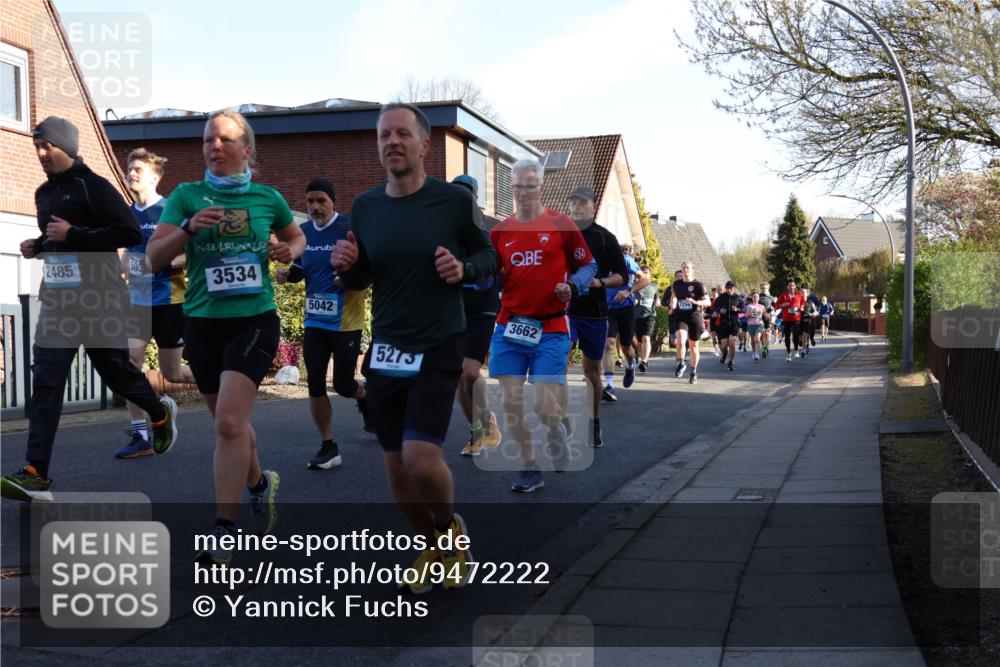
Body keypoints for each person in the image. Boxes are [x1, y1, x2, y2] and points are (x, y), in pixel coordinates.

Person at [332, 103, 497, 593]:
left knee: (421, 458)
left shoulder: (452, 202)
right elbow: (363, 276)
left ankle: (449, 532)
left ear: (424, 144)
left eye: (402, 134)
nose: (392, 142)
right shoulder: (366, 207)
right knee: (396, 468)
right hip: (387, 347)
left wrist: (464, 269)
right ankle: (432, 547)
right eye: (384, 135)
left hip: (439, 340)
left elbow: (488, 254)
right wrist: (348, 265)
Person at [146, 110, 305, 562]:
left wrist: (286, 251)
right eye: (207, 140)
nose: (213, 146)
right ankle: (259, 482)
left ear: (246, 150)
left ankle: (224, 530)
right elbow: (152, 258)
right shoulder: (186, 196)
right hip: (202, 322)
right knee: (228, 423)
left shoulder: (267, 197)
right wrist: (188, 229)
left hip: (253, 320)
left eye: (224, 139)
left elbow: (296, 239)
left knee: (229, 424)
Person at [1, 117, 178, 502]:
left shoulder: (94, 187)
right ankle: (35, 473)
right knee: (46, 381)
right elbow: (56, 240)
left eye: (47, 145)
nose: (41, 153)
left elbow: (129, 233)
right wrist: (38, 246)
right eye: (37, 146)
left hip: (99, 300)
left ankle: (159, 413)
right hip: (58, 301)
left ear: (67, 146)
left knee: (116, 373)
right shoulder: (43, 194)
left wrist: (74, 234)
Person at [490, 160, 596, 492]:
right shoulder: (500, 232)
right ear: (511, 188)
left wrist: (573, 286)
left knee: (543, 406)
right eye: (517, 186)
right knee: (509, 402)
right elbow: (488, 273)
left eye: (530, 186)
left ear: (541, 187)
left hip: (550, 328)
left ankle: (554, 429)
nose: (523, 192)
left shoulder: (562, 224)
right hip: (509, 327)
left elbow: (588, 265)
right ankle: (530, 466)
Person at [274, 178, 370, 470]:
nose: (315, 206)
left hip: (346, 321)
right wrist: (288, 275)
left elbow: (368, 270)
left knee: (342, 384)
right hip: (315, 321)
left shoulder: (349, 228)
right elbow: (301, 270)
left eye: (321, 200)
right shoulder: (302, 233)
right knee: (315, 382)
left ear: (332, 202)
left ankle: (365, 396)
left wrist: (349, 279)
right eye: (310, 201)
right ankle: (328, 446)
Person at [116, 148, 196, 459]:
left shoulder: (170, 211)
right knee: (129, 363)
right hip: (137, 302)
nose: (131, 173)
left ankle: (221, 380)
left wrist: (162, 262)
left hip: (169, 301)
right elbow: (126, 257)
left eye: (138, 169)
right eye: (129, 168)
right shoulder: (126, 214)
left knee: (172, 372)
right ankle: (141, 435)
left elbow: (190, 254)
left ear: (154, 177)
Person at [563, 186, 627, 448]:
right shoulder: (561, 233)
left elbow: (622, 276)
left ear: (593, 206)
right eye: (573, 203)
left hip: (594, 313)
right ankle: (563, 420)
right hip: (565, 311)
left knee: (591, 371)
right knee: (557, 363)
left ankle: (593, 423)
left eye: (582, 203)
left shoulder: (605, 238)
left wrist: (600, 282)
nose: (576, 207)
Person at [450, 174, 502, 457]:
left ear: (475, 197)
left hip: (483, 307)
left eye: (466, 194)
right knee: (461, 376)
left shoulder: (491, 227)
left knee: (469, 372)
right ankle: (477, 429)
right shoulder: (444, 228)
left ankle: (484, 423)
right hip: (454, 306)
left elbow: (502, 265)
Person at [602, 244, 646, 398]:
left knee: (626, 346)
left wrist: (628, 291)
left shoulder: (626, 260)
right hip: (608, 309)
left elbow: (645, 279)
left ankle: (630, 364)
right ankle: (609, 386)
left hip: (626, 308)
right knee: (608, 344)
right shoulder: (600, 262)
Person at [669, 261, 711, 384]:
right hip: (681, 316)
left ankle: (693, 372)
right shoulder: (677, 284)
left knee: (693, 347)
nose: (685, 270)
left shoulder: (698, 285)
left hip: (694, 317)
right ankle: (681, 363)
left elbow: (708, 302)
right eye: (683, 268)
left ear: (692, 270)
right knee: (680, 340)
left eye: (688, 268)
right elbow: (674, 296)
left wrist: (696, 302)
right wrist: (673, 304)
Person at [634, 264, 660, 372]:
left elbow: (657, 299)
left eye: (646, 273)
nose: (644, 274)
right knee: (639, 341)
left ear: (650, 275)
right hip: (637, 316)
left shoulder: (654, 286)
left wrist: (657, 302)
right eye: (643, 272)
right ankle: (642, 357)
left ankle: (644, 361)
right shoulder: (634, 286)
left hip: (650, 315)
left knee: (646, 338)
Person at [774, 279, 806, 362]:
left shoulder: (799, 295)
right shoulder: (783, 295)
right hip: (786, 319)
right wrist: (783, 305)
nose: (791, 287)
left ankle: (796, 351)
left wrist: (802, 307)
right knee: (787, 336)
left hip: (796, 318)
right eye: (790, 285)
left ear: (795, 286)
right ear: (787, 287)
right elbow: (776, 305)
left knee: (796, 335)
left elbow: (803, 303)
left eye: (793, 285)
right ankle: (788, 353)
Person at [714, 281, 742, 371]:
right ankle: (725, 353)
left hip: (734, 322)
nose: (729, 290)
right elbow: (715, 307)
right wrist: (720, 310)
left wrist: (737, 309)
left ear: (734, 288)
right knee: (724, 345)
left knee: (732, 342)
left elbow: (744, 309)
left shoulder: (737, 297)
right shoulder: (721, 297)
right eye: (728, 288)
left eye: (731, 288)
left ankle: (730, 362)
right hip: (724, 322)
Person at [663, 269, 683, 351]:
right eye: (678, 276)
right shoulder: (669, 289)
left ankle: (682, 354)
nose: (679, 278)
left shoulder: (686, 288)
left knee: (682, 336)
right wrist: (670, 304)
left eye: (681, 276)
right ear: (675, 277)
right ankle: (680, 351)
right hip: (672, 315)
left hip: (683, 315)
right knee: (674, 341)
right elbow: (663, 301)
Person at [745, 290, 766, 361]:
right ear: (752, 298)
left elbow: (764, 314)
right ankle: (754, 351)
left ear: (759, 298)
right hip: (751, 324)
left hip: (759, 324)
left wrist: (767, 315)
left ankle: (757, 354)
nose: (755, 298)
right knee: (753, 340)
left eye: (757, 297)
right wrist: (751, 313)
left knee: (757, 339)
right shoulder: (749, 306)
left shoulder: (762, 306)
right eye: (754, 297)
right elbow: (746, 315)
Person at [758, 282, 776, 355]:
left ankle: (766, 349)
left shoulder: (771, 298)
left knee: (767, 334)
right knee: (761, 335)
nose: (763, 289)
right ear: (760, 288)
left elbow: (776, 307)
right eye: (762, 288)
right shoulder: (757, 296)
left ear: (768, 288)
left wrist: (772, 314)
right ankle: (763, 346)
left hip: (767, 318)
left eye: (765, 288)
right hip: (759, 318)